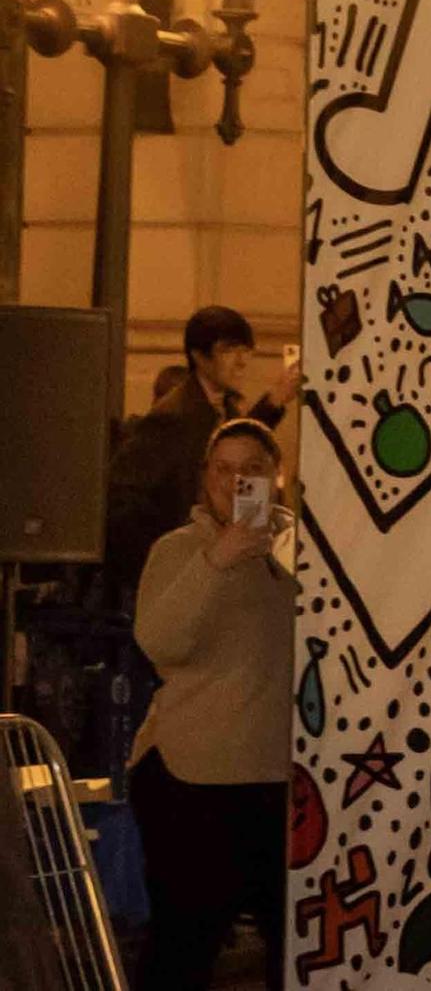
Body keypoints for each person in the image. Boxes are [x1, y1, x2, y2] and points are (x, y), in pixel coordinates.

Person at [127, 419, 294, 991]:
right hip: (192, 780)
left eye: (252, 468)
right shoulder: (178, 550)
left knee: (296, 951)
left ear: (277, 476)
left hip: (285, 780)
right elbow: (159, 643)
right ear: (205, 477)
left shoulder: (304, 552)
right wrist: (217, 561)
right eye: (223, 468)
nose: (235, 481)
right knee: (183, 947)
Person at [105, 307, 301, 603]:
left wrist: (275, 401)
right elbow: (124, 502)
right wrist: (159, 566)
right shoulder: (173, 417)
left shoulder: (220, 407)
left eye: (246, 350)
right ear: (199, 356)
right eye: (229, 350)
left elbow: (234, 446)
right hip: (182, 572)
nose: (242, 361)